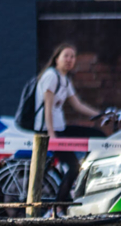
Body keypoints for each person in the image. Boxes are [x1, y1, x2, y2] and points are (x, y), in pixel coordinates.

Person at [35, 43, 105, 202]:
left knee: (97, 135)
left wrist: (101, 114)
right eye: (65, 56)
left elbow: (77, 104)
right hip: (48, 130)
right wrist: (51, 136)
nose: (69, 59)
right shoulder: (51, 76)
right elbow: (48, 107)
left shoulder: (64, 79)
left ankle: (87, 172)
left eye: (72, 57)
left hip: (61, 128)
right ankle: (59, 206)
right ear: (57, 58)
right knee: (73, 167)